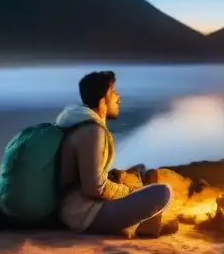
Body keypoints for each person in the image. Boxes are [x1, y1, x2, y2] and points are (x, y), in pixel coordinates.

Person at [55, 70, 177, 237]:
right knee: (163, 192)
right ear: (103, 97)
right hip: (85, 214)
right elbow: (93, 189)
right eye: (114, 92)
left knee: (139, 173)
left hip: (76, 210)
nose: (118, 98)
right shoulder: (92, 131)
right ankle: (145, 226)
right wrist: (128, 191)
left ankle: (147, 223)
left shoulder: (81, 125)